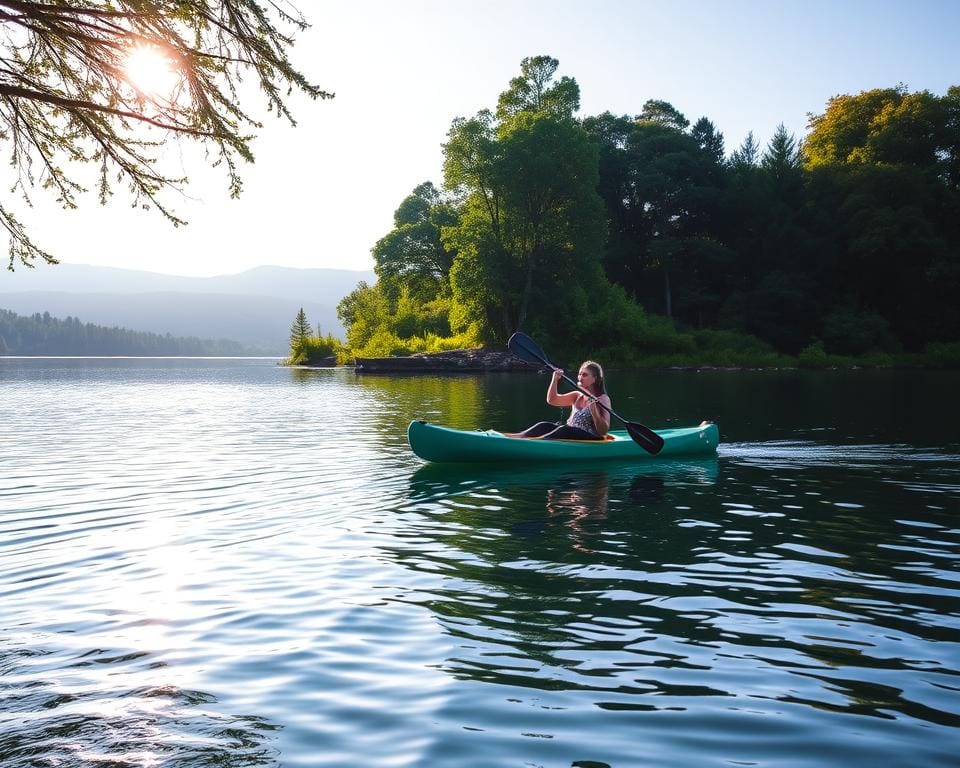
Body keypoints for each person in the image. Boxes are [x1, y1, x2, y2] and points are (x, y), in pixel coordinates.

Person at [516, 361, 611, 440]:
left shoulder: (603, 399)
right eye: (579, 374)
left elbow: (603, 431)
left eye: (584, 375)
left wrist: (594, 409)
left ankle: (534, 442)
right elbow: (552, 400)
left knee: (565, 429)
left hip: (591, 438)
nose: (580, 378)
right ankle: (515, 437)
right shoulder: (577, 395)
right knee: (544, 425)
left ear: (595, 379)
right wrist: (555, 379)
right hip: (569, 433)